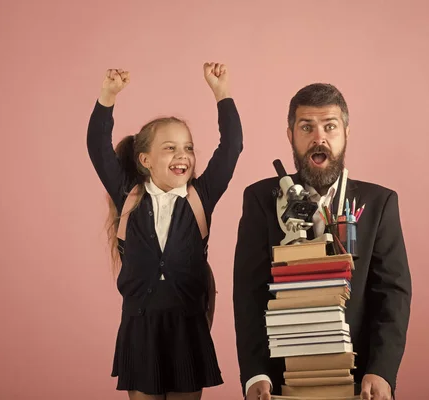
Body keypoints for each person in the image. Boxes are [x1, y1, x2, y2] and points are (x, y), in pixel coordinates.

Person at [233, 83, 411, 400]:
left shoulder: (380, 202)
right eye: (307, 127)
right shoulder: (261, 199)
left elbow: (392, 295)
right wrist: (255, 374)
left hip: (361, 383)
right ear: (290, 135)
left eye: (329, 126)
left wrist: (382, 370)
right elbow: (249, 292)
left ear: (346, 132)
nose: (319, 138)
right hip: (280, 383)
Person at [87, 62, 243, 399]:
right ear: (145, 160)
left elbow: (231, 148)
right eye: (170, 147)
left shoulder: (201, 197)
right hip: (140, 326)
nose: (182, 155)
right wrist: (107, 96)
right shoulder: (128, 195)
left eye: (187, 147)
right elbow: (98, 148)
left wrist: (221, 93)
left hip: (187, 325)